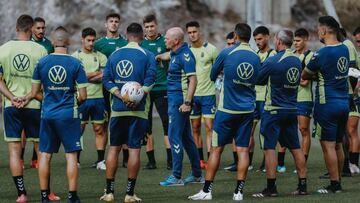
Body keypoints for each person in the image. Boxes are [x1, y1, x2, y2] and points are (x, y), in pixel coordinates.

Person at [188, 23, 260, 201]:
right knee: (243, 150)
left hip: (227, 110)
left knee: (216, 150)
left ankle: (206, 191)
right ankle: (238, 192)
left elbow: (213, 75)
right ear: (249, 37)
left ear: (235, 36)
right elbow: (258, 79)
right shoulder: (256, 56)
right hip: (247, 110)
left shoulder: (227, 52)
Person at [30, 26, 87, 203]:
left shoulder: (41, 62)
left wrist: (49, 101)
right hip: (68, 114)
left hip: (47, 114)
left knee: (45, 155)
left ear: (53, 42)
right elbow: (83, 96)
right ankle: (72, 196)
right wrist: (71, 103)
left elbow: (35, 92)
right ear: (68, 42)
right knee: (71, 155)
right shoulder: (76, 63)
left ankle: (44, 196)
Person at [100, 23, 156, 202]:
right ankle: (129, 194)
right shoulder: (148, 55)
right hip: (138, 111)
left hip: (117, 109)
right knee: (134, 151)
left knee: (114, 148)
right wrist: (138, 96)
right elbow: (151, 80)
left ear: (126, 35)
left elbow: (106, 79)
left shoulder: (115, 54)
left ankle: (109, 192)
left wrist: (120, 95)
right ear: (141, 36)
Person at [252, 29, 307, 197]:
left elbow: (258, 80)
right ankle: (302, 186)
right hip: (292, 109)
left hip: (273, 110)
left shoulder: (273, 59)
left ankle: (271, 188)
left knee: (270, 148)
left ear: (279, 41)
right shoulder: (297, 60)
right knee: (296, 148)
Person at [0, 14, 48, 203]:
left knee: (14, 151)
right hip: (34, 105)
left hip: (12, 106)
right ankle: (46, 194)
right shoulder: (41, 50)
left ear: (16, 28)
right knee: (42, 151)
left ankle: (22, 195)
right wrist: (28, 96)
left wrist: (12, 97)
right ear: (31, 29)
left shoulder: (3, 49)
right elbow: (44, 82)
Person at [302, 16, 349, 193]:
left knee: (327, 145)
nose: (317, 31)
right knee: (337, 143)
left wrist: (316, 74)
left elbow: (305, 74)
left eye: (318, 28)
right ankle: (339, 180)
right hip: (343, 103)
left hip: (326, 104)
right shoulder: (345, 49)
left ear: (323, 31)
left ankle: (334, 184)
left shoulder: (321, 54)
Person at [159, 27, 203, 186]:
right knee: (186, 138)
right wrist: (158, 57)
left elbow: (193, 80)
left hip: (179, 101)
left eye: (167, 38)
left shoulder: (185, 55)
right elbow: (167, 55)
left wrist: (187, 103)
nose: (164, 40)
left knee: (173, 136)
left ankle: (177, 176)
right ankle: (197, 175)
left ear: (176, 40)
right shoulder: (175, 53)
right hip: (175, 100)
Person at [94, 13, 129, 168]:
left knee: (124, 120)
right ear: (105, 24)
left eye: (116, 21)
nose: (114, 24)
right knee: (104, 122)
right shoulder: (99, 44)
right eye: (111, 21)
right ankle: (101, 158)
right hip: (103, 89)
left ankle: (126, 158)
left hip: (122, 88)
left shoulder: (125, 42)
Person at [72, 27, 108, 169]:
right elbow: (76, 77)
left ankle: (100, 161)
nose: (91, 43)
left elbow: (104, 76)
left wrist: (86, 75)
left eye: (93, 40)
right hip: (81, 98)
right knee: (78, 129)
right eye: (89, 40)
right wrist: (95, 73)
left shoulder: (101, 56)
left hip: (98, 98)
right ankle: (77, 161)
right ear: (82, 40)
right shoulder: (75, 57)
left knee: (99, 129)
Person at [186, 21, 219, 169]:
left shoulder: (211, 49)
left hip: (208, 94)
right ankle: (200, 160)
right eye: (190, 32)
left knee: (209, 127)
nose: (192, 34)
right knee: (195, 127)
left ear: (200, 32)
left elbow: (220, 68)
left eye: (194, 31)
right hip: (192, 95)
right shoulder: (186, 51)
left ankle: (211, 157)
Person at [140, 14, 171, 170]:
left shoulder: (165, 41)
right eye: (147, 27)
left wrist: (165, 55)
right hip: (146, 89)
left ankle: (170, 160)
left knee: (166, 122)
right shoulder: (141, 44)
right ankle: (151, 161)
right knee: (147, 125)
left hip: (163, 87)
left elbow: (175, 53)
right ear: (144, 28)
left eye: (152, 26)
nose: (150, 29)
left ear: (157, 26)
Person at [251, 26, 277, 172]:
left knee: (266, 131)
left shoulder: (273, 55)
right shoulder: (254, 55)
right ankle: (247, 161)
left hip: (267, 99)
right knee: (248, 131)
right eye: (255, 40)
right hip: (253, 99)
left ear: (268, 37)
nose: (257, 42)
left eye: (260, 39)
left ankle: (266, 162)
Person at [293, 28, 314, 168]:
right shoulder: (292, 55)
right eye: (294, 40)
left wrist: (293, 79)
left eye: (298, 40)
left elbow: (305, 82)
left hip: (304, 98)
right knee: (288, 130)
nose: (295, 43)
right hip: (290, 99)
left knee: (303, 130)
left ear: (306, 40)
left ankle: (303, 162)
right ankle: (282, 162)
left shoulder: (310, 56)